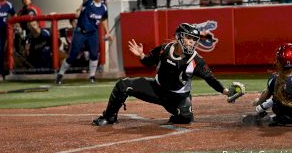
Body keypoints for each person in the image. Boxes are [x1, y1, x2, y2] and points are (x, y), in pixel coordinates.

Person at [92, 23, 233, 126]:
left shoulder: (196, 60)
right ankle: (109, 117)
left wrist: (226, 91)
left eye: (194, 40)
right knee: (123, 85)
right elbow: (148, 62)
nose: (192, 42)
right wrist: (141, 55)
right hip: (156, 89)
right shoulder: (164, 49)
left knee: (186, 119)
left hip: (177, 98)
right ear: (178, 36)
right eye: (189, 38)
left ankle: (179, 114)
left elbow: (210, 79)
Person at [56, 0, 113, 85]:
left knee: (94, 54)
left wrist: (107, 32)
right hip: (80, 32)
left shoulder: (104, 8)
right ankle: (60, 74)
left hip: (93, 33)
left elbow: (104, 20)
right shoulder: (88, 3)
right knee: (73, 55)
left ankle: (92, 76)